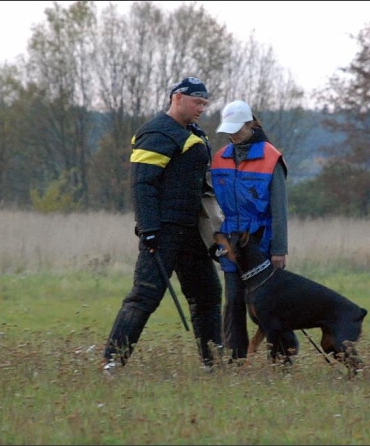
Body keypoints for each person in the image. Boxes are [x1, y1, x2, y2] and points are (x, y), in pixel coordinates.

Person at [102, 77, 223, 375]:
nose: (202, 109)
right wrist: (149, 229)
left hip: (191, 232)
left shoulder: (195, 133)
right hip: (163, 232)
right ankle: (112, 362)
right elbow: (143, 185)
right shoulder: (157, 132)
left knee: (207, 294)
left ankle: (213, 365)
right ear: (177, 98)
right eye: (198, 102)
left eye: (205, 104)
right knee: (145, 296)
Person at [210, 99, 298, 363]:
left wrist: (280, 249)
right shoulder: (219, 159)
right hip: (232, 242)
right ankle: (235, 359)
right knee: (234, 300)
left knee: (267, 304)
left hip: (262, 241)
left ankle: (284, 354)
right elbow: (211, 201)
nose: (233, 134)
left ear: (252, 124)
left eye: (238, 128)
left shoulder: (272, 158)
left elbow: (279, 209)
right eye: (229, 129)